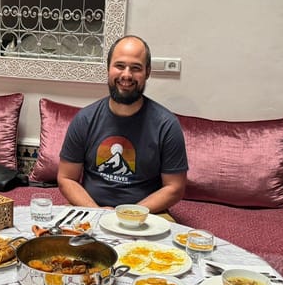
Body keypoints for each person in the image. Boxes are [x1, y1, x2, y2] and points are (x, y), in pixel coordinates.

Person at [57, 35, 188, 213]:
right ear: (108, 69)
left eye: (135, 68)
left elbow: (175, 188)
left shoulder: (166, 125)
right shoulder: (84, 119)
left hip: (146, 215)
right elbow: (66, 178)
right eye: (119, 66)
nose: (126, 75)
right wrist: (97, 212)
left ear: (147, 72)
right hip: (89, 210)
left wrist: (128, 215)